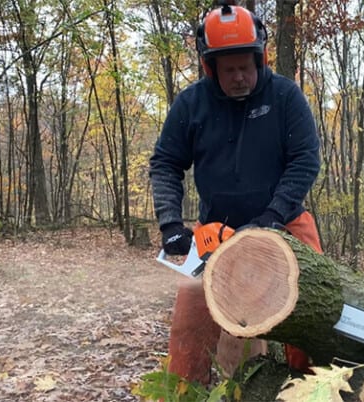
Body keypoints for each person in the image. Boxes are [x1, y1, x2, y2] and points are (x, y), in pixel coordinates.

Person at [149, 1, 322, 384]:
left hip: (285, 223)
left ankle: (315, 386)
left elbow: (305, 159)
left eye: (246, 66)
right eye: (229, 70)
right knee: (190, 323)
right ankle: (184, 390)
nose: (240, 77)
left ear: (259, 60)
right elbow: (165, 163)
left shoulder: (285, 97)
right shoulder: (191, 104)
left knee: (317, 314)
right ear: (210, 67)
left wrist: (272, 216)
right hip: (217, 229)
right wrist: (171, 224)